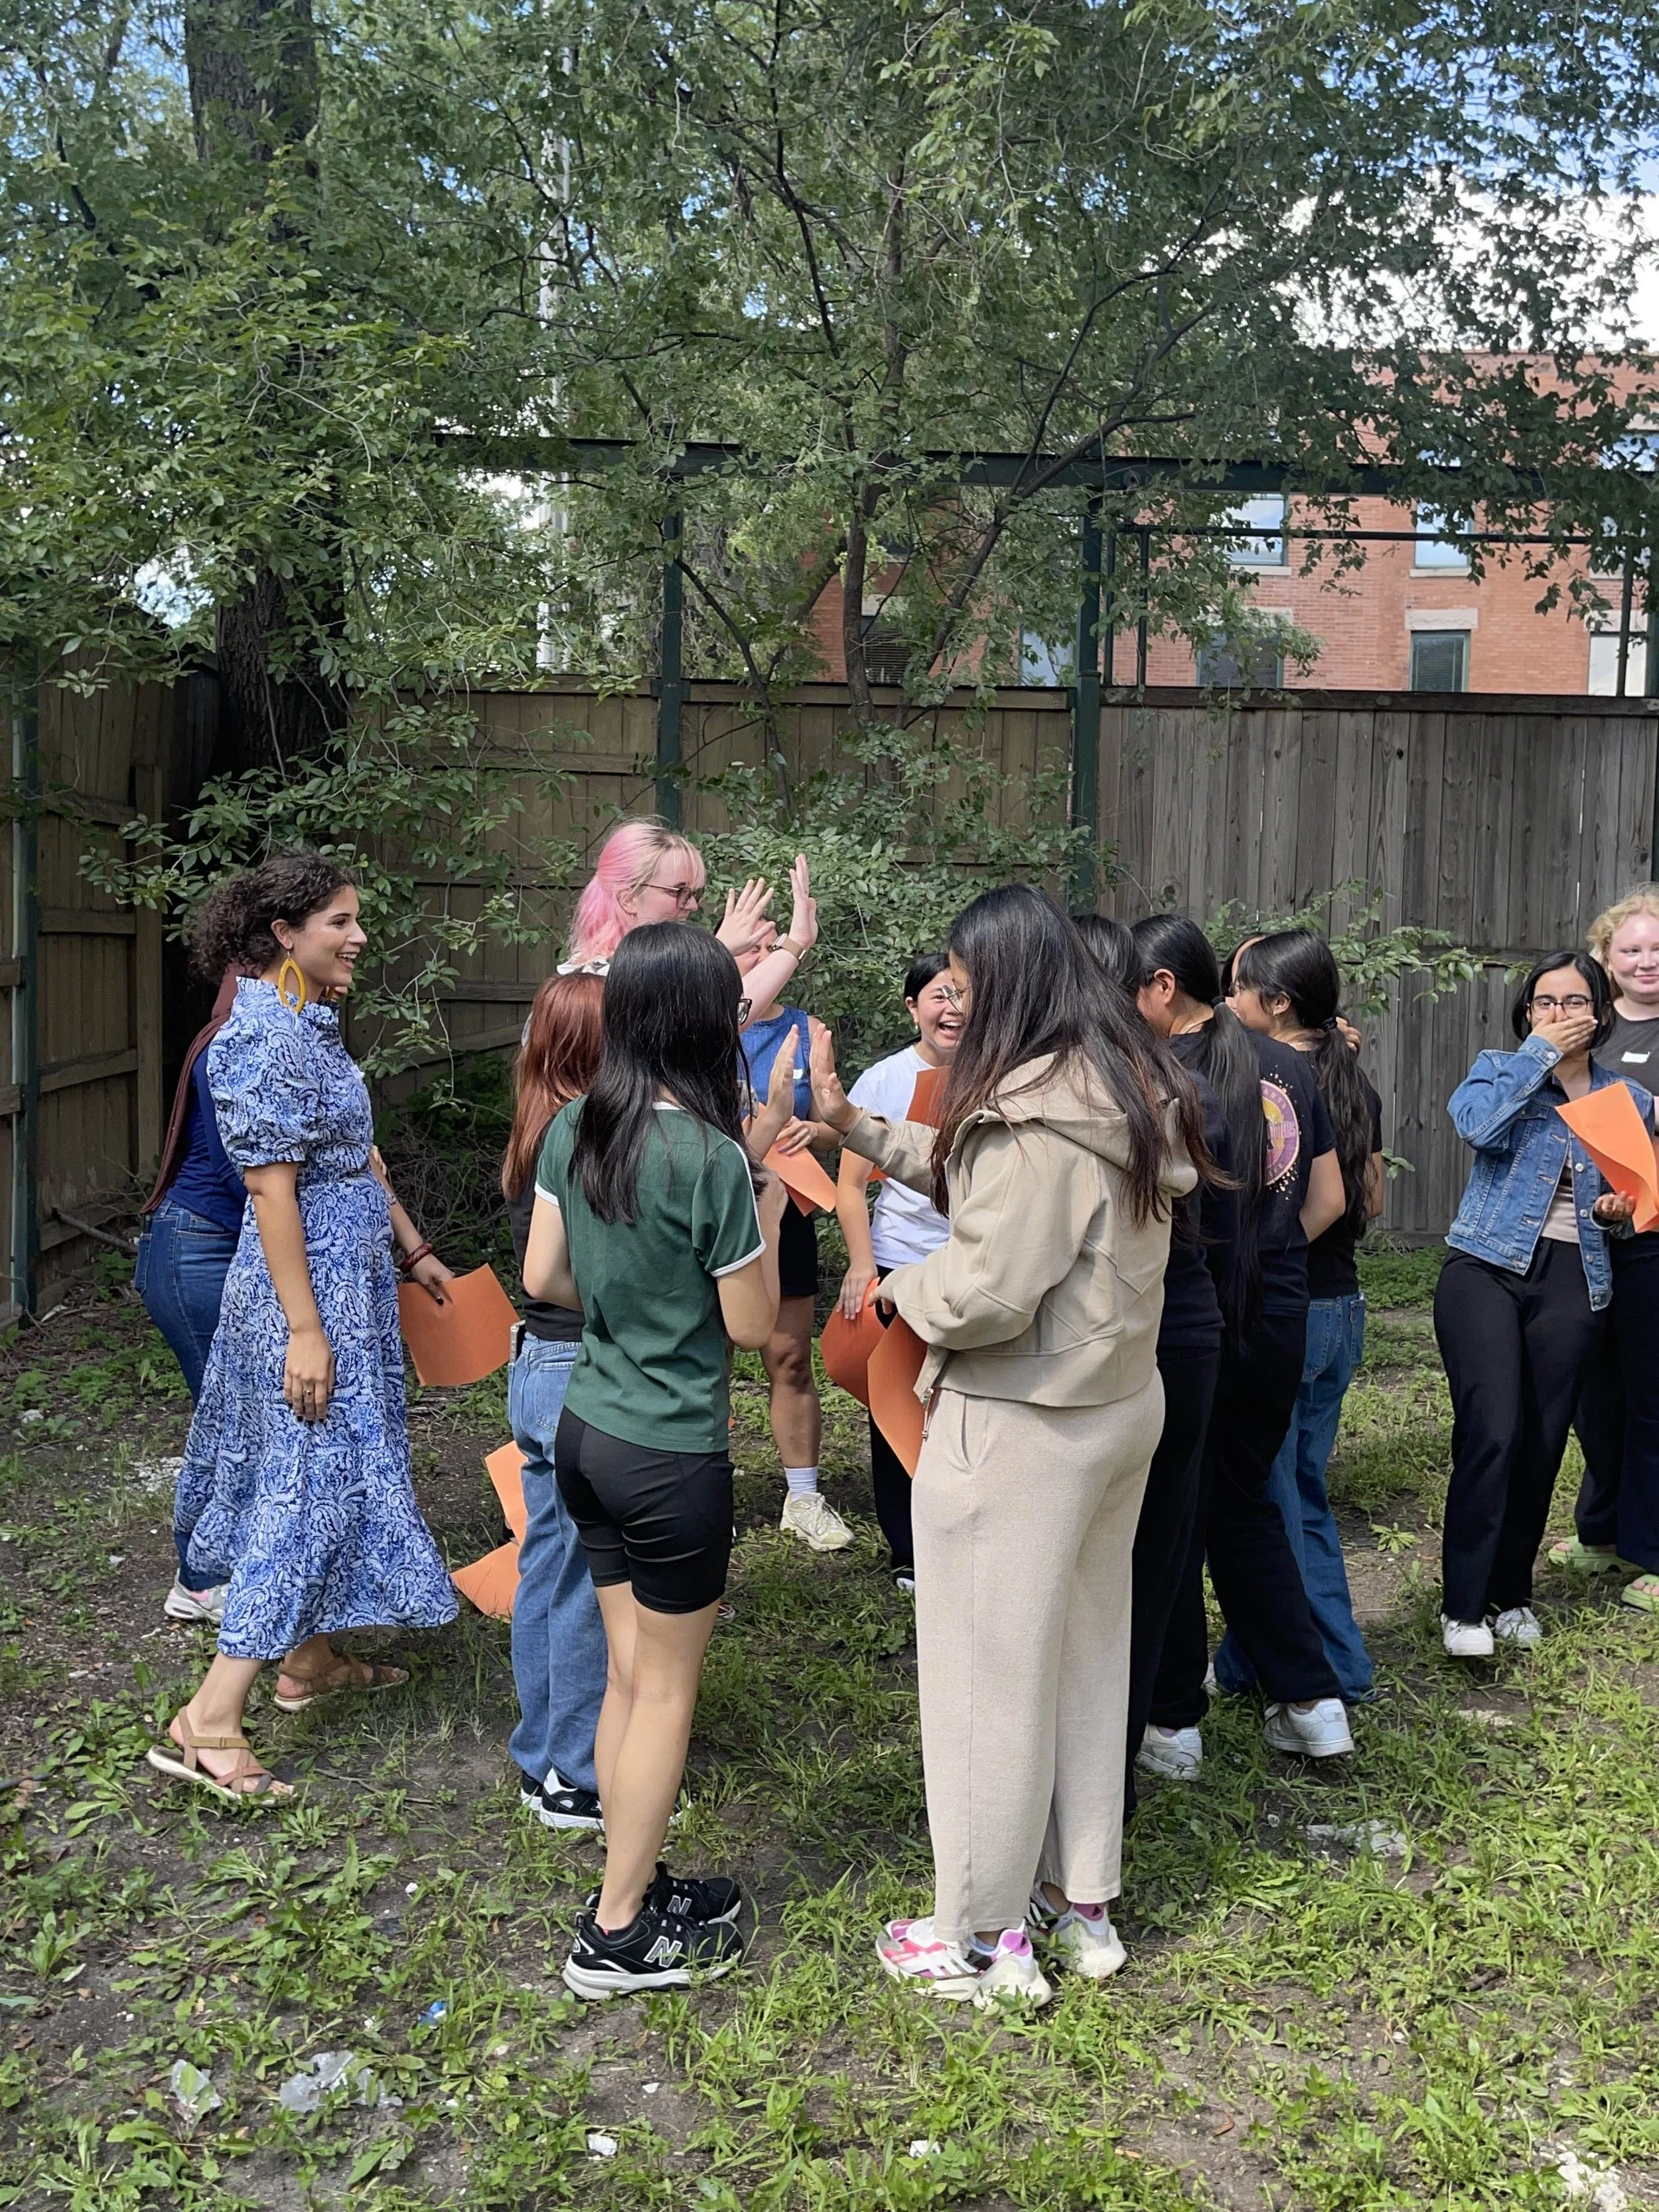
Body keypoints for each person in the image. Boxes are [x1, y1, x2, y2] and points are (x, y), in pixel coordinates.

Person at [810, 887, 1208, 2006]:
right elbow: (987, 1178)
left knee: (986, 1674)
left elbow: (989, 1280)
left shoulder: (1035, 1113)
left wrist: (897, 1289)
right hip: (1115, 1408)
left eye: (965, 974)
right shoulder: (1118, 1086)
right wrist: (857, 1126)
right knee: (1087, 1657)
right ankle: (1079, 1903)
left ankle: (979, 1931)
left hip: (1020, 1422)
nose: (952, 992)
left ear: (1011, 982)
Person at [146, 855, 460, 1804]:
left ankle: (309, 1664)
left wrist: (413, 1247)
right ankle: (208, 1717)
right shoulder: (259, 1040)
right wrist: (304, 1330)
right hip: (304, 1296)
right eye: (339, 921)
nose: (358, 936)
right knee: (303, 1485)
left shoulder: (309, 1027)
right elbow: (272, 1192)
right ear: (283, 931)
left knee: (330, 1473)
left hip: (348, 1287)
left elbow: (353, 1151)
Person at [524, 924, 790, 1996]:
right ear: (707, 1020)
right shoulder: (715, 1155)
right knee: (668, 1692)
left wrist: (631, 1304)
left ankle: (627, 1879)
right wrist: (765, 1193)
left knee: (630, 1675)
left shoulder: (574, 1127)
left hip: (584, 1431)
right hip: (671, 1456)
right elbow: (753, 1324)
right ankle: (618, 1933)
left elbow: (545, 1272)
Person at [1135, 916, 1354, 1775]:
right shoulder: (1295, 1068)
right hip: (1279, 1315)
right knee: (1245, 1506)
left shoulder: (1161, 1075)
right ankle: (1313, 1702)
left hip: (1192, 1320)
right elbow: (1329, 1196)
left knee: (1176, 1515)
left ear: (1161, 987)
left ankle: (1176, 1722)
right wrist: (1269, 1256)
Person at [1435, 950, 1650, 1656]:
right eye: (1544, 1003)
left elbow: (1633, 1207)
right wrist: (1537, 1057)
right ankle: (1463, 1606)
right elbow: (1477, 1128)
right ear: (1526, 1013)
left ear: (1600, 1012)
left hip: (1575, 1276)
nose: (1559, 1014)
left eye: (1574, 1002)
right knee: (1491, 1430)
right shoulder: (1499, 1070)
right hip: (1485, 1268)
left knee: (1541, 1441)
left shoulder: (1629, 1102)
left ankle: (1510, 1596)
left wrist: (1617, 1211)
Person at [1073, 915, 1237, 1816]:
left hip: (1152, 1341)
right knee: (1142, 1557)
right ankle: (1138, 1743)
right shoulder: (1164, 1080)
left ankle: (1109, 1779)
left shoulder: (1128, 1091)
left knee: (1128, 1564)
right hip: (1183, 1332)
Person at [1214, 930, 1381, 1704]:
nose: (1225, 1002)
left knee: (1272, 1500)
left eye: (1238, 989)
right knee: (1289, 1487)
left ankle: (1336, 1670)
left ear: (1276, 1004)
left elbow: (1333, 1200)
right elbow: (1368, 1199)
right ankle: (1245, 1659)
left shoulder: (1261, 1079)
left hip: (1288, 1309)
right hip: (1341, 1305)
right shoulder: (1351, 1079)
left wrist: (1263, 1256)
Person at [502, 973, 610, 1832]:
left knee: (545, 1564)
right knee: (579, 1579)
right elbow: (572, 1277)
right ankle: (575, 1772)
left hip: (537, 1364)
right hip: (575, 1362)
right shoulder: (581, 1137)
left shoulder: (537, 1119)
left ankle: (540, 1749)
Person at [833, 951, 963, 1587]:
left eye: (963, 995)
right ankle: (907, 1546)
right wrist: (863, 1264)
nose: (953, 1009)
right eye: (939, 996)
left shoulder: (998, 1072)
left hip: (969, 1263)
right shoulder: (884, 1078)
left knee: (961, 1403)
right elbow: (850, 1185)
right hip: (900, 1259)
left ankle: (961, 1532)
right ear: (913, 1006)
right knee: (896, 1400)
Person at [136, 969, 248, 1625]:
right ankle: (202, 1579)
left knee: (234, 1416)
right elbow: (251, 1171)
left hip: (208, 1248)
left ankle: (213, 1569)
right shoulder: (232, 1044)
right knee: (229, 1420)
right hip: (194, 1252)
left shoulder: (235, 1034)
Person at [735, 939, 851, 1552]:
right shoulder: (704, 1020)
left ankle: (804, 1496)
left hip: (789, 1210)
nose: (762, 955)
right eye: (750, 946)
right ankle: (706, 1492)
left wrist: (818, 1130)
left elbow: (839, 1119)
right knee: (709, 1359)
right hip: (717, 1208)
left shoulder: (809, 1030)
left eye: (772, 944)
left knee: (790, 1357)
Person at [1560, 887, 1659, 1586]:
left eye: (1658, 950)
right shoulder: (1586, 1028)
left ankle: (1650, 1552)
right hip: (1583, 1239)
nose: (1646, 961)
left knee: (1652, 1397)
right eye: (1631, 949)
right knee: (1592, 1396)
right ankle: (1599, 1528)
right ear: (1605, 956)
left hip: (1654, 1241)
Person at [561, 817, 818, 1025]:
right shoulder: (592, 982)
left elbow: (721, 1024)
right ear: (629, 899)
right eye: (678, 892)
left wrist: (796, 943)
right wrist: (713, 954)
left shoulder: (663, 976)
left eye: (695, 893)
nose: (692, 905)